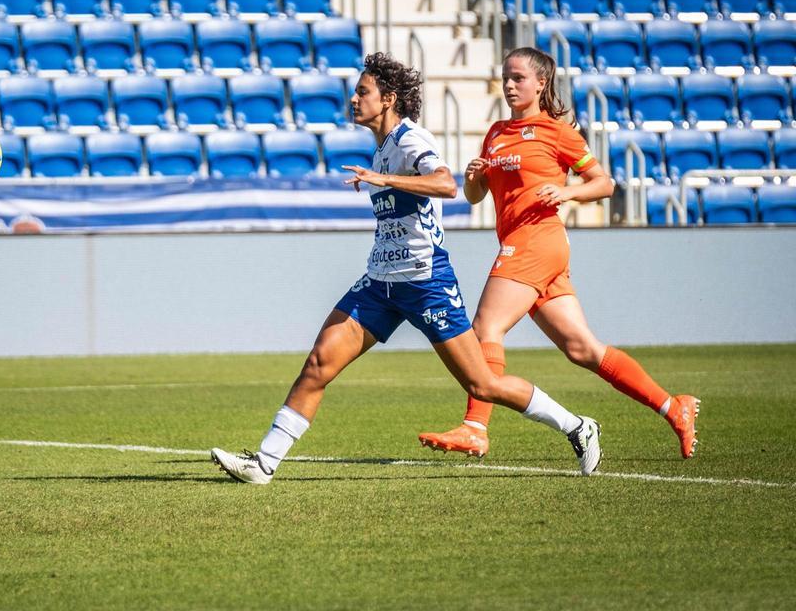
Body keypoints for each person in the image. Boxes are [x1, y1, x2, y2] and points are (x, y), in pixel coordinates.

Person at [210, 53, 603, 485]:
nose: (354, 99)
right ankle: (263, 464)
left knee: (482, 385)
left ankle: (577, 426)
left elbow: (446, 184)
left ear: (389, 99)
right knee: (319, 363)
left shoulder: (410, 139)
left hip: (425, 282)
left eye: (363, 92)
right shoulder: (381, 149)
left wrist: (386, 180)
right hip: (380, 284)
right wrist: (382, 177)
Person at [418, 48, 700, 461]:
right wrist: (473, 179)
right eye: (506, 77)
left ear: (540, 84)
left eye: (518, 78)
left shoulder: (557, 131)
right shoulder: (496, 132)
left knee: (486, 328)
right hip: (525, 244)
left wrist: (566, 191)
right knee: (583, 349)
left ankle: (476, 427)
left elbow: (603, 184)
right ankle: (673, 406)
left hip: (537, 239)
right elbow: (476, 197)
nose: (509, 85)